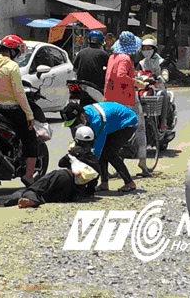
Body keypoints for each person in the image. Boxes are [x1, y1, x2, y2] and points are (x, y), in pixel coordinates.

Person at [0, 126, 100, 208]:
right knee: (47, 195)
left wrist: (71, 152)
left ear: (77, 140)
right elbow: (91, 187)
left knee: (34, 189)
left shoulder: (75, 152)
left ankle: (12, 201)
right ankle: (23, 200)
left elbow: (61, 163)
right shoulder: (94, 159)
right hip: (72, 193)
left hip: (64, 176)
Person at [0, 34, 38, 187]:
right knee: (30, 138)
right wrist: (29, 114)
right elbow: (19, 93)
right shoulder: (12, 66)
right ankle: (28, 175)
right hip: (11, 110)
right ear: (13, 51)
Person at [60, 101, 138, 192]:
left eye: (74, 124)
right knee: (103, 152)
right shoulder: (83, 117)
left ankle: (130, 182)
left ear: (82, 117)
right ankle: (104, 183)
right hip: (110, 122)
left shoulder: (97, 121)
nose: (73, 127)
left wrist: (86, 170)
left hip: (127, 122)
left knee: (108, 152)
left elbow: (96, 152)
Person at [104, 31, 151, 177]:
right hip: (126, 98)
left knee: (114, 133)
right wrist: (138, 83)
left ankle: (115, 167)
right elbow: (121, 76)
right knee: (140, 127)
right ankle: (142, 162)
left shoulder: (113, 57)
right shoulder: (125, 58)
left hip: (110, 98)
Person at [137, 37, 169, 130]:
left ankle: (163, 122)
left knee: (162, 95)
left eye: (148, 49)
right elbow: (136, 73)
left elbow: (165, 70)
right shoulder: (141, 63)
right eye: (144, 49)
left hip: (158, 87)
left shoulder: (161, 61)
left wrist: (163, 76)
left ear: (154, 49)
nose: (146, 51)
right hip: (144, 88)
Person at [73, 30, 109, 104]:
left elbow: (75, 69)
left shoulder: (81, 52)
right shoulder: (103, 54)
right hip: (97, 87)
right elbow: (109, 69)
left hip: (82, 85)